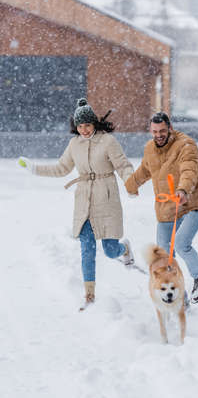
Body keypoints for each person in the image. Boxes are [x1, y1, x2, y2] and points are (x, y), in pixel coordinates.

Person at [18, 98, 135, 309]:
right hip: (84, 202)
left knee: (109, 250)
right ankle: (89, 295)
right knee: (87, 249)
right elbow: (61, 168)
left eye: (87, 125)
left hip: (106, 198)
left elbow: (123, 165)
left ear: (94, 123)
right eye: (80, 126)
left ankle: (124, 249)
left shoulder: (107, 141)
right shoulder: (74, 144)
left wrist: (130, 182)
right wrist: (35, 168)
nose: (84, 130)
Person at [125, 111, 198, 304]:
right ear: (150, 130)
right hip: (167, 207)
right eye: (155, 131)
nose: (159, 135)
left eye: (162, 130)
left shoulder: (186, 145)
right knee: (164, 257)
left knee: (181, 243)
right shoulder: (150, 148)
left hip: (191, 203)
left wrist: (183, 189)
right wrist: (131, 185)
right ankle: (181, 300)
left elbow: (189, 169)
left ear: (170, 128)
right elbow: (145, 170)